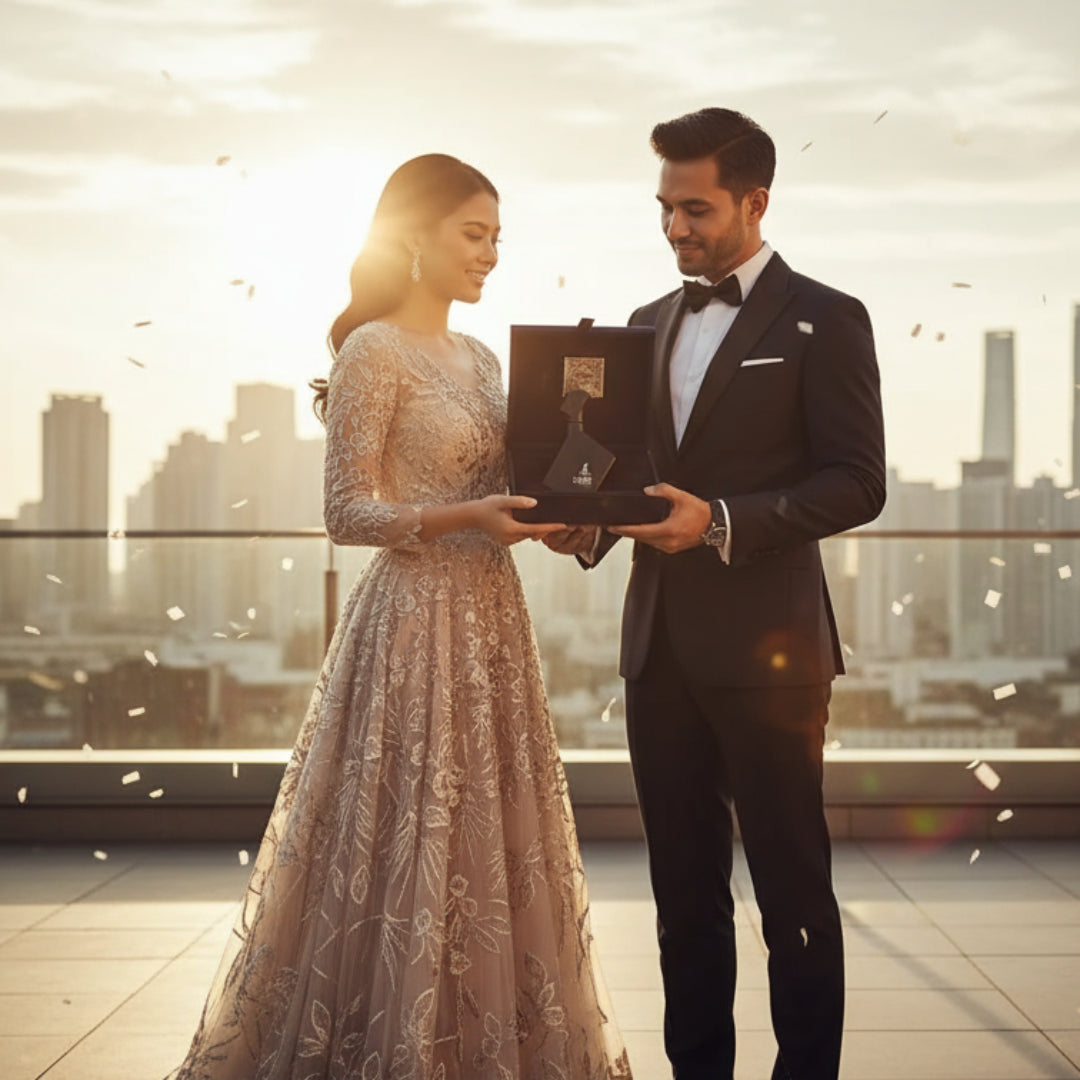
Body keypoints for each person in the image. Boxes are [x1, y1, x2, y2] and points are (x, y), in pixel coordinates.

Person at [169, 154, 632, 1080]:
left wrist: (561, 519)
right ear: (414, 237)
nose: (491, 254)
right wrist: (465, 519)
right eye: (474, 233)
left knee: (485, 839)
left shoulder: (488, 358)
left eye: (499, 236)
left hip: (492, 622)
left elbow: (510, 490)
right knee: (401, 835)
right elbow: (346, 514)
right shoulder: (371, 351)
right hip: (412, 623)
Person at [546, 109, 886, 1080]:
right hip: (658, 654)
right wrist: (590, 528)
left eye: (694, 208)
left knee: (794, 900)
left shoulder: (830, 316)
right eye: (664, 207)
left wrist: (724, 520)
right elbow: (630, 481)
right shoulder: (646, 324)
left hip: (773, 660)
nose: (674, 227)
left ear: (756, 201)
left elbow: (858, 482)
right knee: (682, 902)